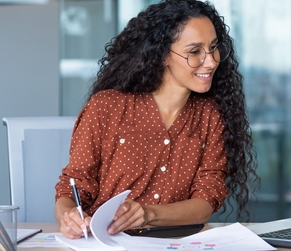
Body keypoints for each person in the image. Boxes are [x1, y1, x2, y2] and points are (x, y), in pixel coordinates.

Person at [54, 0, 259, 239]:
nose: (212, 61)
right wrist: (69, 216)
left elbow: (205, 202)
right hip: (103, 242)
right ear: (162, 55)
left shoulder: (210, 115)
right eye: (194, 52)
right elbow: (74, 186)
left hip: (175, 244)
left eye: (213, 48)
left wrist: (147, 213)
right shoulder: (106, 107)